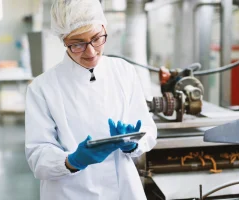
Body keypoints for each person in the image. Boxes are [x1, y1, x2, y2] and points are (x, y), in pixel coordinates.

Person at [25, 0, 157, 199]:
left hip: (124, 190)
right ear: (64, 41)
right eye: (77, 44)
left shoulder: (123, 72)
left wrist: (133, 143)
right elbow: (37, 155)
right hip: (70, 192)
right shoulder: (42, 88)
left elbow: (147, 129)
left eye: (97, 38)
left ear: (104, 28)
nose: (91, 51)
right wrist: (72, 161)